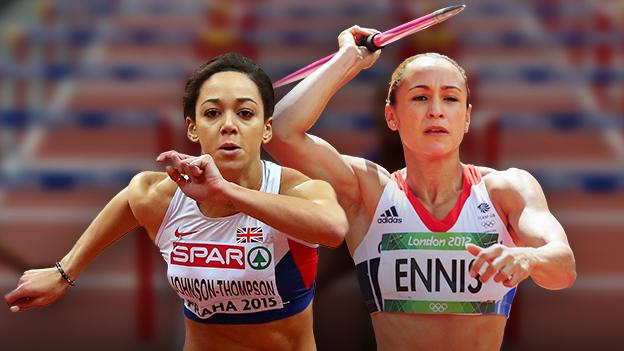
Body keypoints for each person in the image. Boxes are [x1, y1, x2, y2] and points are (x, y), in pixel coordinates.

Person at [4, 53, 349, 351]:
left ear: (267, 128)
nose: (229, 125)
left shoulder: (294, 190)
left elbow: (332, 229)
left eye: (245, 113)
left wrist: (228, 193)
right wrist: (65, 272)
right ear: (193, 128)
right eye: (212, 113)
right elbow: (130, 200)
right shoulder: (166, 198)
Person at [266, 26, 577, 350]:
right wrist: (347, 60)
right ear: (392, 115)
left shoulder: (506, 190)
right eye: (420, 97)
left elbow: (563, 267)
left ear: (467, 117)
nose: (436, 110)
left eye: (451, 98)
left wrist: (528, 257)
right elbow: (281, 133)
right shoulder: (370, 192)